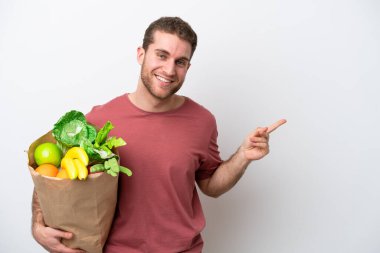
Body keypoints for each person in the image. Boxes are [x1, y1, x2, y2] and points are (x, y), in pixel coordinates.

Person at [31, 16, 286, 253]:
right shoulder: (99, 121)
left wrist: (243, 155)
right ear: (141, 54)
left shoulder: (202, 121)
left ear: (188, 66)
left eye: (180, 61)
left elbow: (210, 186)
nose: (169, 69)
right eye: (161, 55)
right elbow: (54, 172)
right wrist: (38, 224)